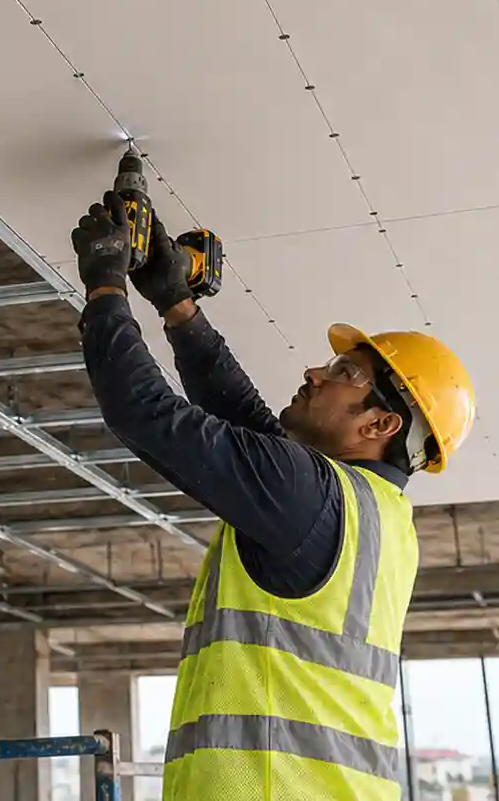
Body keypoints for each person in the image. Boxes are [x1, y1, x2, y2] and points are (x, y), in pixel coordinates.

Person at [70, 191, 476, 800]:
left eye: (344, 375)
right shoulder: (375, 516)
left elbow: (143, 412)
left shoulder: (315, 497)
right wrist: (177, 305)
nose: (315, 373)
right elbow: (255, 433)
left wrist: (106, 286)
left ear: (379, 425)